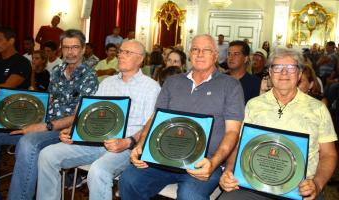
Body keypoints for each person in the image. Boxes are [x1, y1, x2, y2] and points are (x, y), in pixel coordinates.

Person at [119, 34, 245, 200]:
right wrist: (141, 146)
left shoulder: (230, 85)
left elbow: (233, 132)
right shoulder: (172, 82)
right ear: (190, 54)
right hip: (163, 157)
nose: (199, 54)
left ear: (215, 55)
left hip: (204, 162)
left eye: (206, 50)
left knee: (190, 195)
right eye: (195, 49)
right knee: (128, 180)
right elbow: (155, 119)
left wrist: (214, 163)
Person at [0, 29, 98, 200]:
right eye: (66, 47)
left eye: (75, 47)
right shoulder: (57, 70)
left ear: (83, 49)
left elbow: (79, 115)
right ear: (61, 49)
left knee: (28, 143)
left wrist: (45, 126)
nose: (70, 52)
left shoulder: (89, 76)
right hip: (42, 122)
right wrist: (26, 116)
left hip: (62, 130)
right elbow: (48, 100)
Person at [36, 40, 160, 200]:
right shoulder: (107, 83)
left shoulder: (151, 87)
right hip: (94, 140)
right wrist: (73, 131)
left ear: (141, 59)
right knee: (47, 155)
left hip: (124, 146)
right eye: (121, 52)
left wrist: (127, 142)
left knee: (98, 171)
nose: (121, 56)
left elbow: (149, 127)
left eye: (127, 53)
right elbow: (90, 113)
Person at [219, 48, 337, 200]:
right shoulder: (254, 105)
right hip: (254, 184)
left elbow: (329, 154)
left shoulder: (317, 109)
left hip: (299, 189)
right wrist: (229, 171)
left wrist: (317, 184)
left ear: (299, 74)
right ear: (269, 72)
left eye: (291, 68)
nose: (284, 73)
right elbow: (238, 147)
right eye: (277, 68)